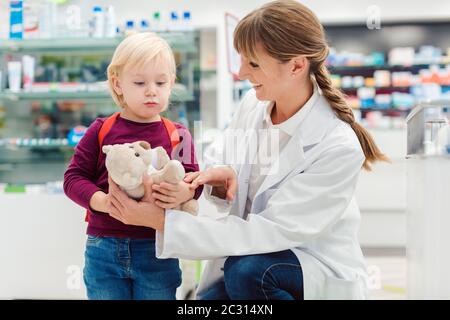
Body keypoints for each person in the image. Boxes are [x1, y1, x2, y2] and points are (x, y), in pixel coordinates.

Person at [107, 1, 388, 300]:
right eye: (241, 60)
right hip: (245, 259)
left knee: (248, 273)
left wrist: (161, 222)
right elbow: (219, 167)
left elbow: (269, 231)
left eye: (253, 64)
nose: (241, 73)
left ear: (296, 65)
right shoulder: (253, 106)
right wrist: (206, 184)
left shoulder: (337, 145)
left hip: (304, 264)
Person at [63, 32, 202, 300]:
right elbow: (73, 178)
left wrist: (185, 192)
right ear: (117, 84)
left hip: (157, 249)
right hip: (103, 247)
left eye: (161, 82)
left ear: (171, 83)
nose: (152, 90)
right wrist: (102, 202)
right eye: (140, 82)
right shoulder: (101, 131)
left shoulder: (179, 134)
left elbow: (194, 180)